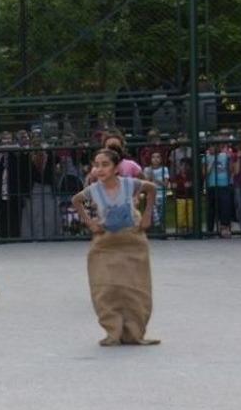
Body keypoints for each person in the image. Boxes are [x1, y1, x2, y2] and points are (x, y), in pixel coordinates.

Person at [72, 148, 160, 346]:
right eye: (96, 165)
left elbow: (151, 188)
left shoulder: (130, 185)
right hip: (106, 242)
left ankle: (135, 332)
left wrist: (147, 215)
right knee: (105, 287)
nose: (100, 169)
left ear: (115, 168)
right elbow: (76, 201)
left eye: (105, 165)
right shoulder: (94, 190)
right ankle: (113, 331)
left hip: (131, 240)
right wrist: (90, 222)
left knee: (135, 288)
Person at [144, 151, 170, 231]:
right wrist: (150, 178)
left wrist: (154, 179)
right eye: (153, 157)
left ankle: (160, 229)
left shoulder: (164, 169)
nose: (155, 159)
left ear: (161, 159)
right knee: (153, 212)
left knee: (161, 213)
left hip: (161, 194)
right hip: (152, 194)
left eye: (158, 157)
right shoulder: (147, 169)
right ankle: (157, 227)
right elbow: (145, 183)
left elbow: (165, 184)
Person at [172, 157, 195, 235]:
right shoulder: (177, 176)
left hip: (189, 197)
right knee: (180, 215)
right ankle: (181, 229)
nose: (184, 167)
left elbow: (195, 186)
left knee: (190, 214)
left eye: (187, 165)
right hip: (180, 197)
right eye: (182, 165)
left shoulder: (192, 176)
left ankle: (189, 229)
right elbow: (174, 186)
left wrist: (191, 185)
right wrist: (176, 186)